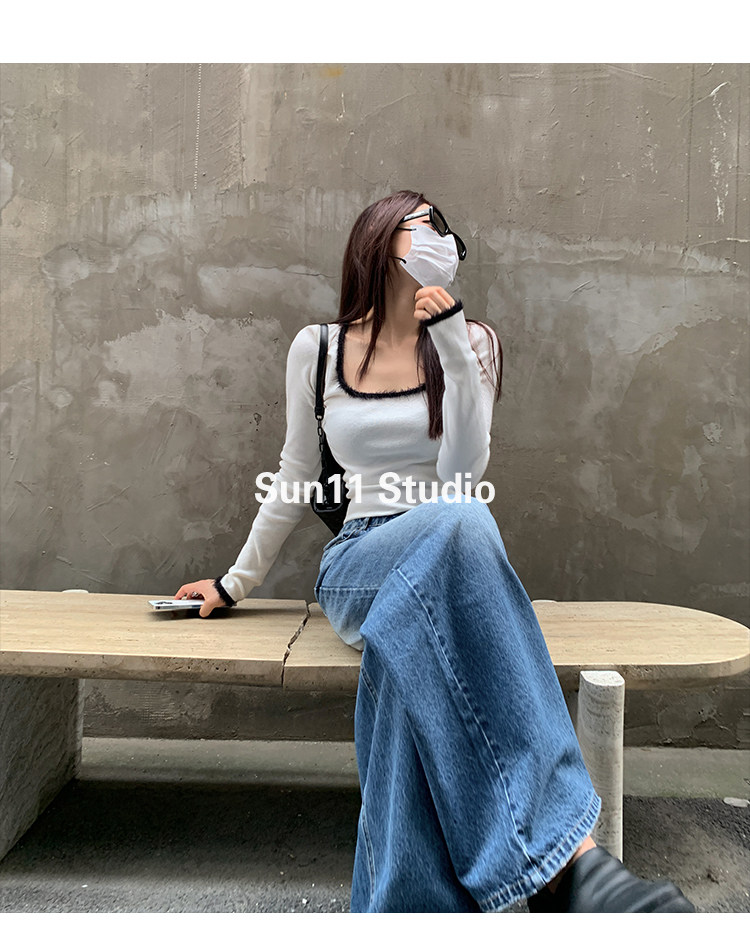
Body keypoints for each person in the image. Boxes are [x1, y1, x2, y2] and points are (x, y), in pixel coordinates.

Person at [175, 190, 695, 914]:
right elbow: (296, 472)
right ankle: (570, 863)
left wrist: (451, 342)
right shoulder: (318, 348)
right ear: (382, 239)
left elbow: (461, 478)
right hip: (361, 560)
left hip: (452, 552)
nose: (442, 239)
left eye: (446, 229)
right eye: (427, 226)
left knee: (414, 631)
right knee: (456, 531)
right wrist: (234, 582)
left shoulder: (473, 341)